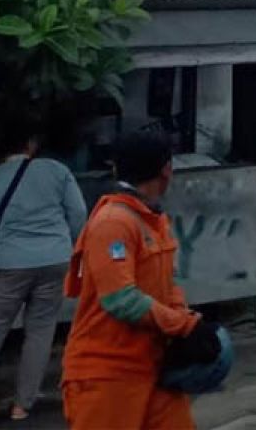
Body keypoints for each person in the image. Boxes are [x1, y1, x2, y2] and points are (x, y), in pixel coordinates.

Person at [60, 130, 221, 430]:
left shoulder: (153, 220)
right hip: (107, 373)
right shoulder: (113, 222)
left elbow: (166, 285)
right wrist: (184, 326)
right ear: (166, 170)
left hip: (154, 367)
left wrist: (190, 321)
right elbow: (121, 300)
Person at [0, 116, 88, 428]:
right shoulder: (57, 171)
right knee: (39, 331)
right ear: (31, 145)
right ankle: (22, 406)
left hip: (9, 265)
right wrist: (72, 249)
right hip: (56, 261)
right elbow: (78, 215)